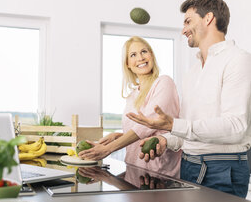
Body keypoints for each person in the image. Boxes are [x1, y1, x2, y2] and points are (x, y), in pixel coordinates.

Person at [126, 0, 251, 198]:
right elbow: (188, 127)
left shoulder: (238, 60)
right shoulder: (192, 72)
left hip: (222, 168)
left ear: (208, 18)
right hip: (188, 166)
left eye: (188, 21)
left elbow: (236, 127)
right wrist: (166, 141)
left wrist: (174, 126)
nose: (183, 30)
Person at [78, 36, 182, 178]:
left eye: (144, 51)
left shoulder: (164, 83)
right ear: (127, 63)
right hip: (133, 171)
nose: (140, 58)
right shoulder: (133, 95)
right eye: (133, 55)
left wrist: (107, 149)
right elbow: (141, 135)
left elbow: (147, 126)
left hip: (159, 174)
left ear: (151, 55)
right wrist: (117, 136)